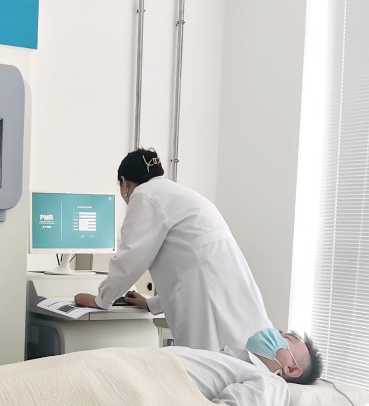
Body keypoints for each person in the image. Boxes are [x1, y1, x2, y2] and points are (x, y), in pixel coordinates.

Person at [75, 148, 272, 351]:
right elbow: (189, 262)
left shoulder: (144, 195)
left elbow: (131, 259)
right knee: (241, 356)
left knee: (203, 360)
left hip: (203, 293)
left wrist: (102, 299)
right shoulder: (182, 195)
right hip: (232, 286)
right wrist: (151, 304)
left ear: (124, 183)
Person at [171, 330, 323, 406]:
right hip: (160, 364)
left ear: (291, 369)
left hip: (162, 377)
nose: (275, 333)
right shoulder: (240, 362)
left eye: (286, 339)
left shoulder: (272, 384)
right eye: (280, 333)